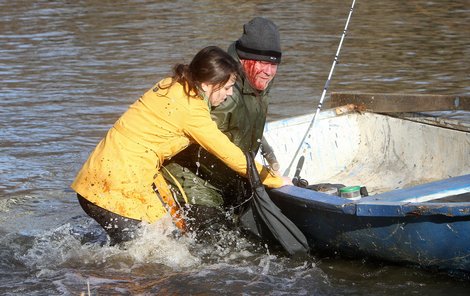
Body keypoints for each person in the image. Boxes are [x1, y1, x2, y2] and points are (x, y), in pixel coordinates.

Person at [71, 46, 290, 245]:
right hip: (111, 189)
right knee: (148, 257)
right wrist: (273, 179)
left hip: (96, 177)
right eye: (227, 87)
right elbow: (231, 155)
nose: (230, 93)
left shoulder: (171, 84)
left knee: (161, 233)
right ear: (207, 84)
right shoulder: (193, 112)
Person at [164, 17, 282, 208]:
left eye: (273, 64)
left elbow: (244, 124)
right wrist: (267, 178)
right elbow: (193, 138)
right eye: (262, 63)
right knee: (213, 236)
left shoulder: (258, 83)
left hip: (228, 176)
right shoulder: (224, 92)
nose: (268, 71)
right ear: (244, 60)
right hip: (193, 180)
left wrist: (267, 152)